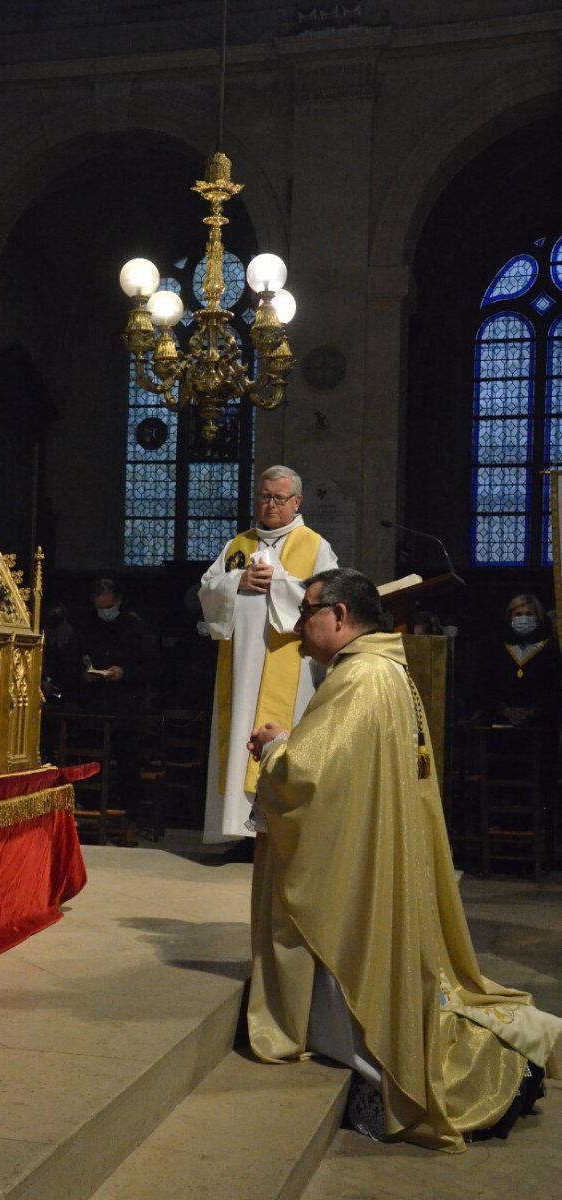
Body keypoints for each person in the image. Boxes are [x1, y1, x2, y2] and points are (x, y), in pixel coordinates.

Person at [246, 567, 562, 1152]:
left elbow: (309, 777)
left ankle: (383, 1069)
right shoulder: (382, 668)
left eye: (306, 612)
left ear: (339, 616)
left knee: (357, 976)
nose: (297, 626)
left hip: (353, 876)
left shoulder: (359, 678)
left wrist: (273, 749)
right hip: (372, 847)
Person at [198, 466, 337, 848]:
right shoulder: (237, 545)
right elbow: (207, 591)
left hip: (290, 667)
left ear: (297, 502)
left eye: (278, 498)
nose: (270, 505)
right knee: (238, 732)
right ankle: (240, 835)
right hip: (241, 667)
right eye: (264, 497)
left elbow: (326, 601)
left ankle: (278, 833)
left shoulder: (315, 545)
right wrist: (235, 582)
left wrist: (276, 582)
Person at [80, 578, 160, 845]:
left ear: (119, 600)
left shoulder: (134, 627)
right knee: (90, 767)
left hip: (126, 710)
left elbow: (152, 667)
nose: (104, 611)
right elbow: (72, 660)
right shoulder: (88, 626)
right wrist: (86, 675)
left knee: (128, 768)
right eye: (99, 606)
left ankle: (129, 821)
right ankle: (89, 819)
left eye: (109, 605)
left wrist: (125, 672)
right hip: (94, 710)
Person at [485, 593, 560, 727]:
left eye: (529, 614)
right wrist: (504, 710)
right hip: (500, 723)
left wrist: (535, 711)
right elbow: (485, 685)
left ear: (538, 617)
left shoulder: (550, 650)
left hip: (541, 726)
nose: (524, 618)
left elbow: (553, 688)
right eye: (518, 614)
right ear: (510, 618)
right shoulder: (496, 649)